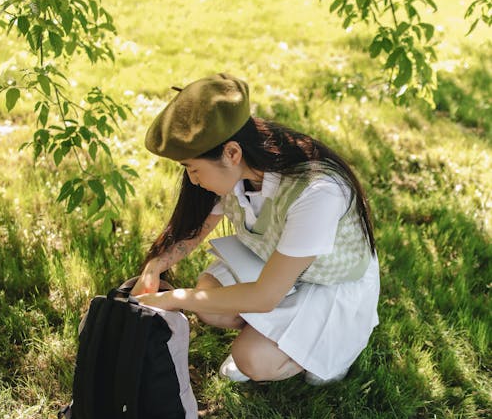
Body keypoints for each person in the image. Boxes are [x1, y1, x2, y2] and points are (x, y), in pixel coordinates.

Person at [132, 73, 380, 385]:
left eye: (194, 170)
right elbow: (194, 231)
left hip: (330, 283)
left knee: (253, 358)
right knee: (211, 302)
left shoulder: (318, 192)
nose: (193, 180)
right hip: (274, 262)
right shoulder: (237, 173)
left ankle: (324, 351)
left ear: (232, 153)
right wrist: (157, 265)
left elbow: (264, 296)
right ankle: (274, 335)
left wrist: (175, 298)